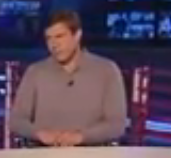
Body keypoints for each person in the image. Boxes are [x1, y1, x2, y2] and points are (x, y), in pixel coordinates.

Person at [9, 10, 128, 147]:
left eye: (59, 36)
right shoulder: (35, 72)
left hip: (91, 155)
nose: (54, 44)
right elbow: (16, 121)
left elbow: (116, 125)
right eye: (49, 38)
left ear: (77, 35)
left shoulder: (106, 70)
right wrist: (39, 134)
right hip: (43, 153)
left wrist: (80, 137)